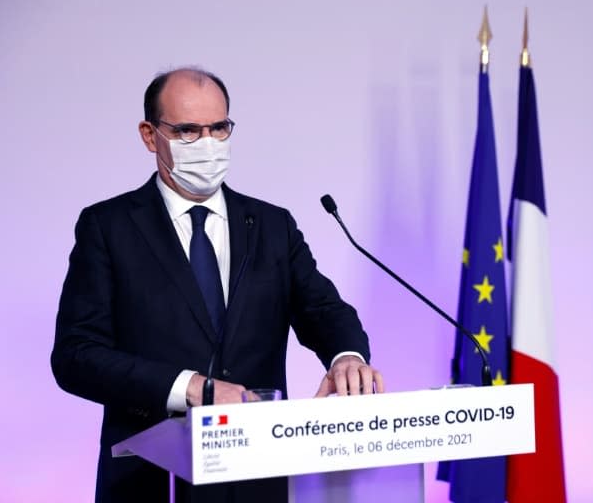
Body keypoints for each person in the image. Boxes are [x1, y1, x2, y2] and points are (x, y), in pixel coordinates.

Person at [51, 67, 383, 503]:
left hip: (256, 481)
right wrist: (192, 388)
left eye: (219, 127)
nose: (207, 143)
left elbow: (323, 311)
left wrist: (345, 357)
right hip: (150, 482)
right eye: (188, 131)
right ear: (150, 136)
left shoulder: (271, 225)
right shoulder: (108, 228)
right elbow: (76, 356)